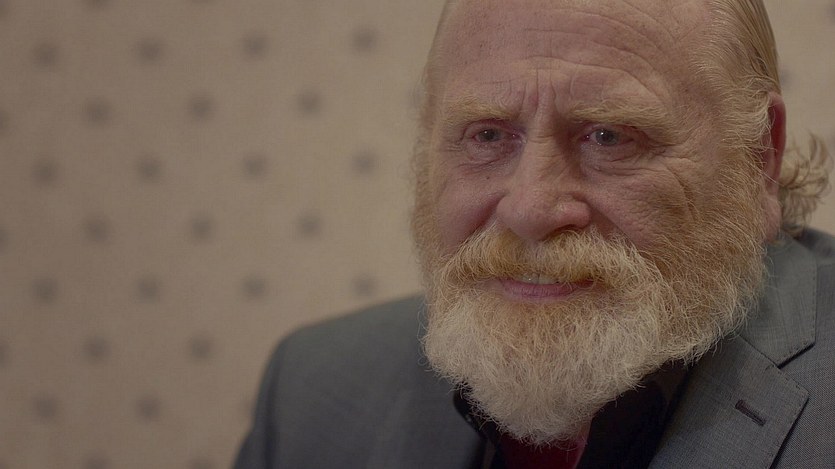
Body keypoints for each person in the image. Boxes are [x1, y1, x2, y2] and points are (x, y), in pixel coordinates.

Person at [234, 0, 834, 467]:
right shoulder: (312, 393)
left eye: (609, 137)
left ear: (759, 158)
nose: (530, 209)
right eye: (488, 135)